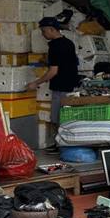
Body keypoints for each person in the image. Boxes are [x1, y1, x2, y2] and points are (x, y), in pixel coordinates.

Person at [26, 17, 79, 150]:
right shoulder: (68, 42)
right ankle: (64, 144)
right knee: (68, 117)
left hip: (61, 86)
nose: (43, 35)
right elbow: (68, 63)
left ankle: (60, 145)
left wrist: (36, 83)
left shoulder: (55, 46)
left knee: (58, 118)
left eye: (44, 31)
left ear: (51, 29)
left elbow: (53, 71)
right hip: (71, 85)